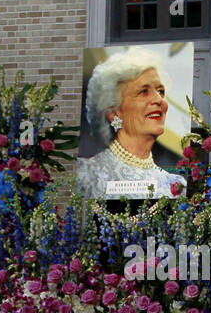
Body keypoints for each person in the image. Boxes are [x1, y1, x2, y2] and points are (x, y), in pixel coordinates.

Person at [76, 48, 187, 201]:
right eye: (144, 92)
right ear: (114, 113)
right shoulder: (84, 175)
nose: (159, 100)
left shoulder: (176, 185)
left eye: (160, 91)